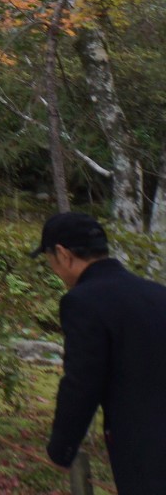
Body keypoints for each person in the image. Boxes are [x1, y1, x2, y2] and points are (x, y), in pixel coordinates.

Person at [39, 210, 166, 492]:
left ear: (63, 254)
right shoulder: (157, 293)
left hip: (144, 447)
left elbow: (82, 381)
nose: (55, 270)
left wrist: (62, 449)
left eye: (50, 261)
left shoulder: (82, 302)